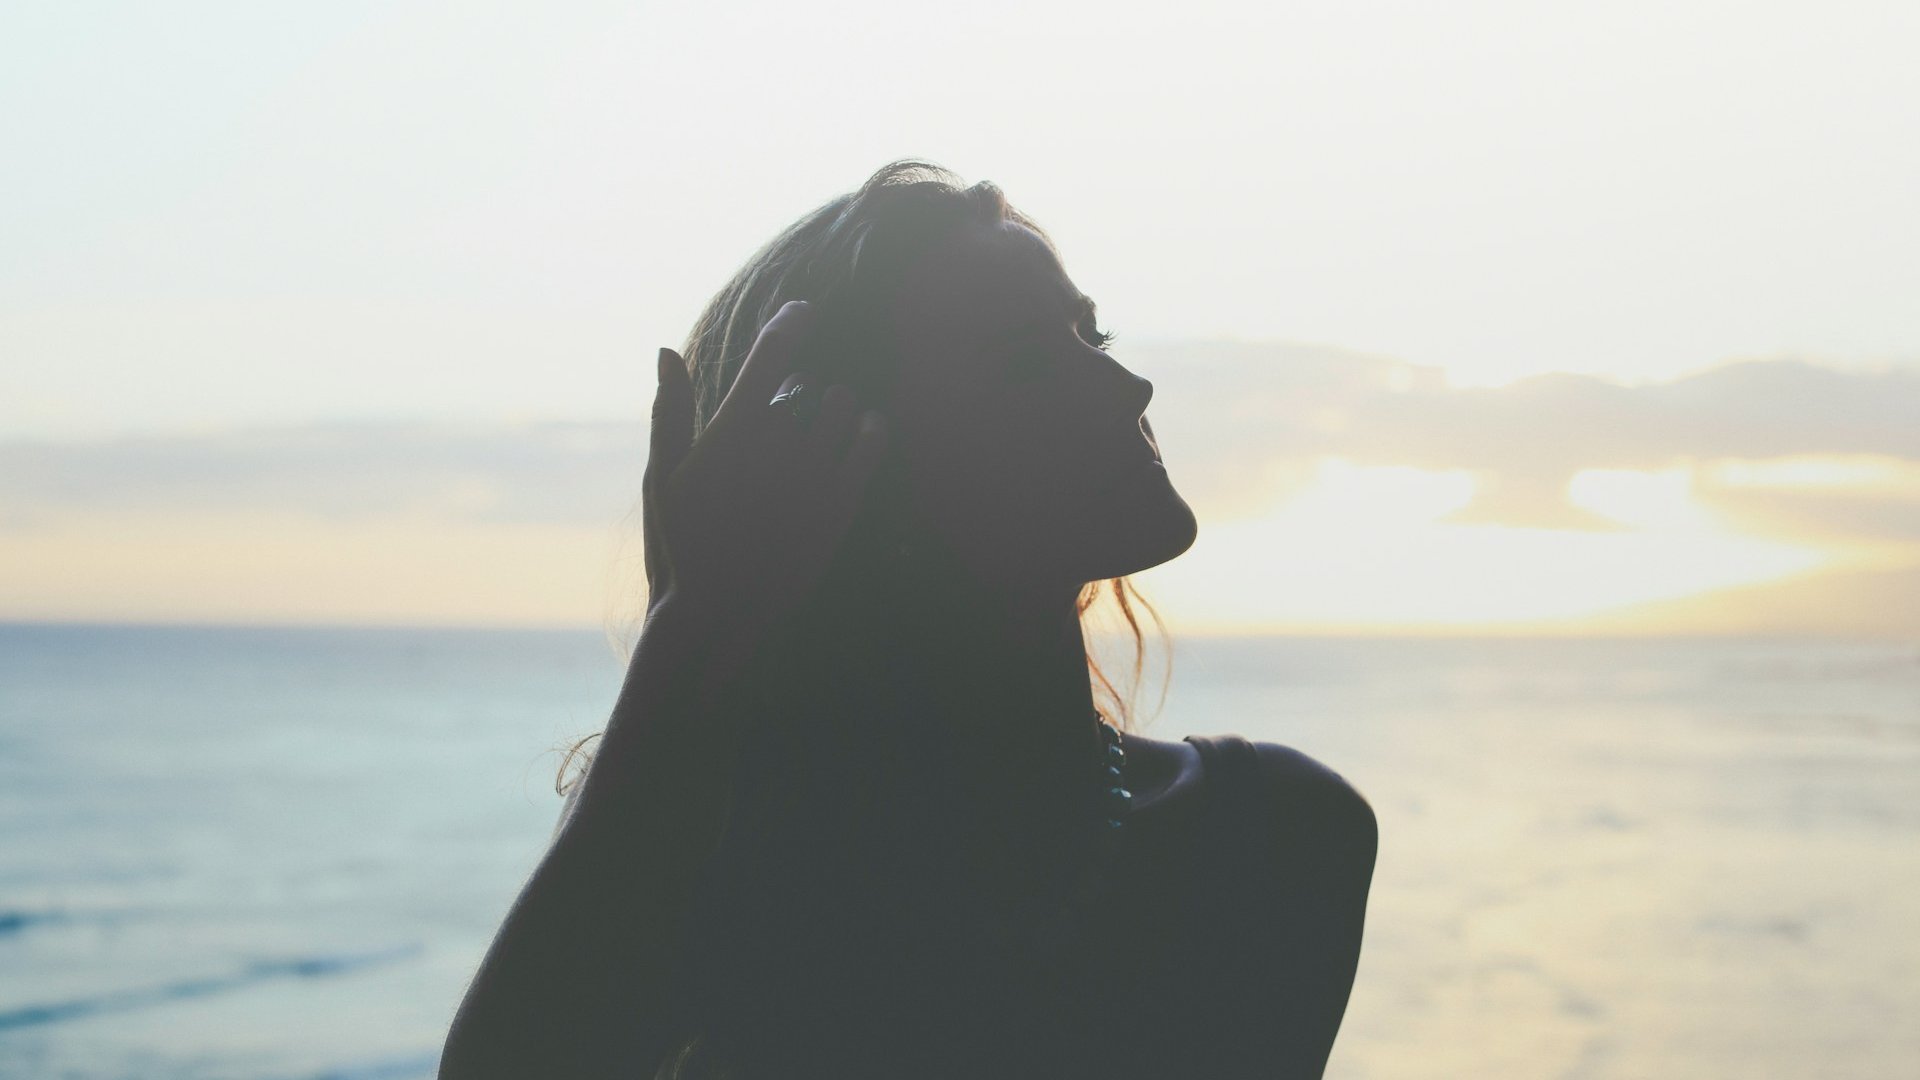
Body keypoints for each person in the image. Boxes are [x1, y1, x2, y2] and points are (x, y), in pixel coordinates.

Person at [438, 160, 1377, 1080]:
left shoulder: (1285, 841)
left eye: (1092, 334)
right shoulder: (739, 881)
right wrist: (696, 629)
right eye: (1025, 361)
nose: (1128, 387)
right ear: (851, 468)